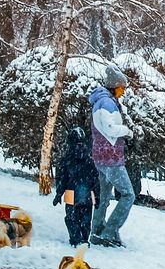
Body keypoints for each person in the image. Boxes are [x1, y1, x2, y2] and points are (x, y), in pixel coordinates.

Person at [89, 64, 135, 247]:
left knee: (104, 197)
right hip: (111, 157)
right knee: (128, 195)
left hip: (100, 156)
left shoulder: (101, 101)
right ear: (114, 86)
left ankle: (97, 231)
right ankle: (109, 232)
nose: (123, 92)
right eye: (122, 88)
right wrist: (127, 131)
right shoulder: (107, 103)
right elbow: (109, 128)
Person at [53, 127, 101, 247]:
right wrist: (97, 197)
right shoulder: (89, 159)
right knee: (85, 220)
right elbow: (95, 180)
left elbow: (62, 178)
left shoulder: (67, 159)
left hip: (71, 192)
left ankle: (76, 239)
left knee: (71, 218)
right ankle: (84, 240)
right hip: (87, 195)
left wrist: (59, 194)